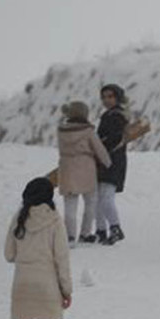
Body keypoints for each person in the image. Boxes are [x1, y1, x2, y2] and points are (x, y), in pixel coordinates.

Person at [4, 178, 73, 319]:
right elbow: (61, 257)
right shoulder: (54, 220)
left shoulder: (19, 218)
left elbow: (9, 254)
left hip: (23, 282)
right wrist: (66, 289)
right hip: (46, 284)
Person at [57, 101, 112, 246]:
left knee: (70, 206)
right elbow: (100, 150)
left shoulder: (61, 131)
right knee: (90, 203)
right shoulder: (88, 132)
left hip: (67, 169)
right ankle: (85, 234)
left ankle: (69, 236)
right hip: (86, 170)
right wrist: (108, 163)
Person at [96, 84, 130, 245]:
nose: (106, 100)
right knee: (100, 197)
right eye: (104, 97)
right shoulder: (109, 115)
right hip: (106, 160)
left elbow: (114, 139)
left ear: (117, 97)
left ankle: (115, 228)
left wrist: (98, 145)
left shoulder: (116, 116)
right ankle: (101, 230)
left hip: (113, 161)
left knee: (105, 198)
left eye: (110, 96)